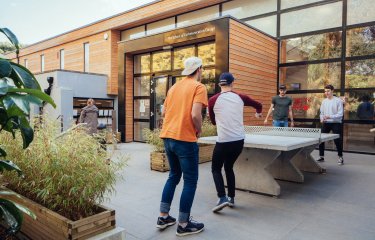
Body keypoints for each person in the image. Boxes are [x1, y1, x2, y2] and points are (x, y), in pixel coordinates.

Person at [156, 57, 207, 236]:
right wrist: (198, 130)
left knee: (173, 176)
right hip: (185, 139)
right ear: (199, 69)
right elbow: (195, 114)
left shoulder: (174, 87)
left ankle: (163, 216)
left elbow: (163, 112)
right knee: (190, 181)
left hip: (168, 137)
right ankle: (184, 224)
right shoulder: (199, 87)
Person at [208, 72, 262, 212]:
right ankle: (231, 198)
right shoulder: (240, 97)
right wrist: (258, 112)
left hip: (223, 141)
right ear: (232, 84)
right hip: (238, 141)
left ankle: (222, 197)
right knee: (229, 167)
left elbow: (213, 122)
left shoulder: (213, 100)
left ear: (220, 84)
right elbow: (258, 105)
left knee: (215, 168)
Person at [317, 84, 344, 165]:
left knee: (337, 141)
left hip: (336, 123)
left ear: (332, 91)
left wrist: (329, 116)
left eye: (328, 91)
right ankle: (321, 156)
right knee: (321, 139)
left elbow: (340, 114)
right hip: (326, 123)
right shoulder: (324, 101)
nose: (326, 93)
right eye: (325, 91)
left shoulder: (338, 100)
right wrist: (322, 119)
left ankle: (340, 157)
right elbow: (321, 112)